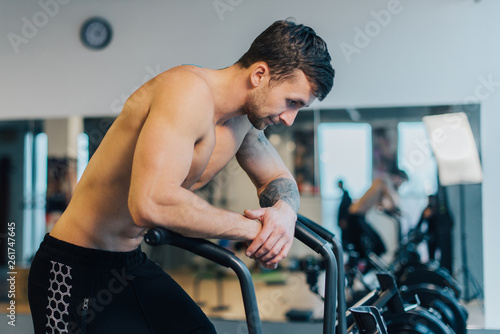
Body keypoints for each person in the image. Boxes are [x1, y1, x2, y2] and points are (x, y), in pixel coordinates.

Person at [28, 20, 335, 333]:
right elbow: (152, 203)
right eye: (291, 102)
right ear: (260, 75)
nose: (289, 118)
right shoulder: (186, 92)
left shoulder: (243, 122)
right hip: (70, 270)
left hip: (128, 264)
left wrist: (285, 213)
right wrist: (254, 230)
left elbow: (276, 180)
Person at [342, 167, 408, 259]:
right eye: (401, 182)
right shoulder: (383, 182)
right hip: (355, 217)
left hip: (358, 217)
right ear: (397, 177)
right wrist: (397, 209)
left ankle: (363, 268)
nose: (400, 185)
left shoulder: (381, 183)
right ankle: (362, 269)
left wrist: (393, 211)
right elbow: (394, 201)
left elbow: (384, 204)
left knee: (371, 247)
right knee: (377, 246)